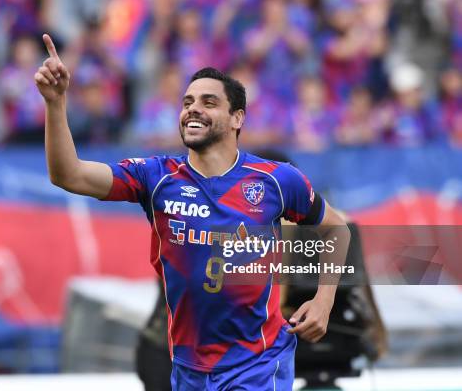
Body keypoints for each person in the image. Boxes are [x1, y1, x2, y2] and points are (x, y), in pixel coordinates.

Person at [35, 34, 350, 389]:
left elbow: (336, 229)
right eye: (187, 101)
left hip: (259, 362)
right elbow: (69, 174)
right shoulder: (155, 176)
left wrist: (324, 300)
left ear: (236, 118)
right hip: (189, 368)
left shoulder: (277, 180)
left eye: (208, 101)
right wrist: (55, 102)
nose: (192, 108)